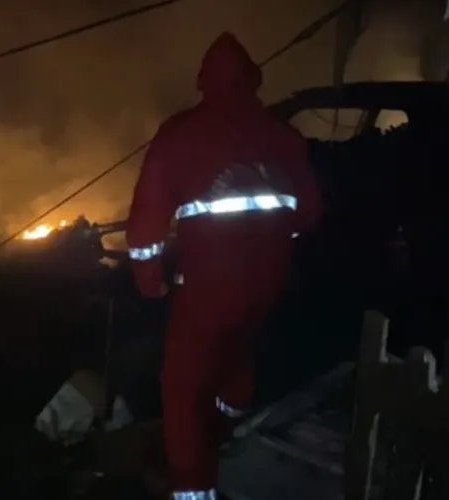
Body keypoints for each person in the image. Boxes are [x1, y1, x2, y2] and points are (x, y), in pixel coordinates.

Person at [125, 32, 323, 500]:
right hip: (268, 283)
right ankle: (230, 425)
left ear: (203, 81)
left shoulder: (181, 134)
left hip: (209, 289)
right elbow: (310, 212)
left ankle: (194, 488)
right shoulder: (284, 136)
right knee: (239, 351)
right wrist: (272, 241)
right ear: (253, 80)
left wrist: (148, 276)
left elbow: (147, 218)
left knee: (181, 386)